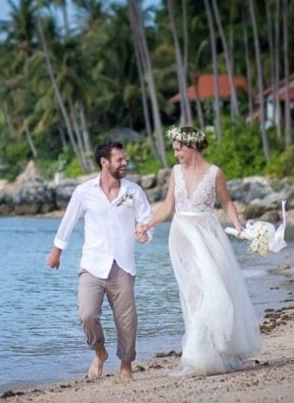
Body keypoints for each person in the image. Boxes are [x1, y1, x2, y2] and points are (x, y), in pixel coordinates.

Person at [137, 126, 261, 376]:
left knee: (214, 291)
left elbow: (226, 202)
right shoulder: (175, 173)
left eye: (178, 149)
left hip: (207, 235)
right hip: (182, 236)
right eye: (174, 150)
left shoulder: (215, 173)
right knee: (192, 293)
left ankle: (208, 353)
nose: (176, 154)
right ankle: (203, 353)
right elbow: (168, 206)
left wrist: (237, 224)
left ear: (191, 147)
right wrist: (147, 224)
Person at [47, 141, 153, 383]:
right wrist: (57, 252)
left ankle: (126, 365)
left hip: (123, 265)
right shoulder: (84, 192)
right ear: (104, 162)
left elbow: (146, 220)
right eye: (119, 159)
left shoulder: (133, 191)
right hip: (92, 264)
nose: (125, 162)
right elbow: (69, 221)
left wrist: (145, 233)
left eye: (124, 159)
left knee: (126, 320)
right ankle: (99, 352)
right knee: (87, 315)